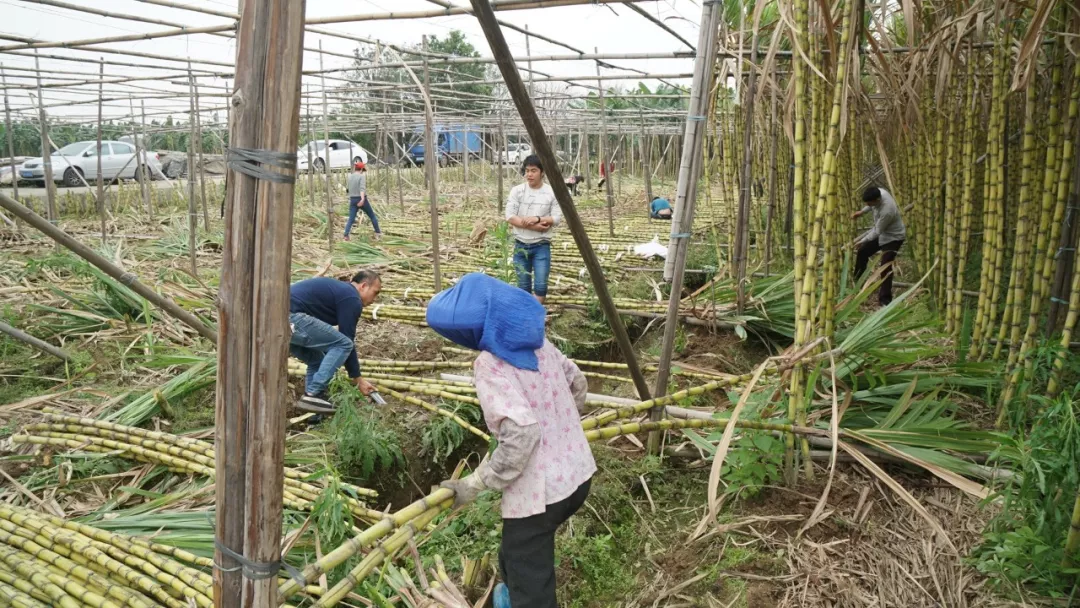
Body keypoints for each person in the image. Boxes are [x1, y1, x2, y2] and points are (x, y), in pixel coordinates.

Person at [427, 273, 594, 608]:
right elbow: (578, 382)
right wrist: (561, 430)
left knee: (531, 582)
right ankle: (507, 596)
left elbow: (521, 436)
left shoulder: (490, 364)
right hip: (578, 476)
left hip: (541, 494)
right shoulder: (539, 343)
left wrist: (476, 482)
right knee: (516, 548)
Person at [288, 271, 381, 412]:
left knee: (317, 360)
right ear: (363, 286)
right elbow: (346, 341)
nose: (375, 299)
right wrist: (357, 379)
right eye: (375, 292)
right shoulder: (351, 298)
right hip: (291, 318)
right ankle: (313, 393)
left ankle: (313, 410)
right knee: (343, 344)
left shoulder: (340, 292)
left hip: (280, 320)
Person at [506, 154, 562, 304]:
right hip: (520, 245)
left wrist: (537, 218)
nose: (529, 174)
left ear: (542, 172)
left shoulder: (551, 192)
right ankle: (526, 319)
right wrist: (536, 227)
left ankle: (535, 315)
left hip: (541, 246)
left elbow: (556, 218)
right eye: (527, 170)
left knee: (541, 286)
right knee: (523, 287)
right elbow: (510, 216)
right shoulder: (517, 191)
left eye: (533, 170)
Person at [851, 186, 906, 306]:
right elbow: (869, 206)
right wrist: (862, 212)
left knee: (885, 267)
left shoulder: (888, 210)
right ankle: (857, 283)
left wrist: (862, 240)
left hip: (893, 237)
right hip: (882, 234)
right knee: (863, 252)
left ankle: (885, 300)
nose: (869, 205)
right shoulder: (879, 192)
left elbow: (877, 231)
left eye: (870, 203)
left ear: (877, 200)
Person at [344, 162, 381, 241]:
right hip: (361, 199)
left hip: (353, 200)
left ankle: (346, 235)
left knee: (351, 219)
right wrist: (362, 199)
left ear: (355, 168)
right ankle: (378, 232)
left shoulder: (350, 176)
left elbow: (347, 189)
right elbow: (362, 189)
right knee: (372, 216)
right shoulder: (361, 177)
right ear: (361, 169)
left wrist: (351, 196)